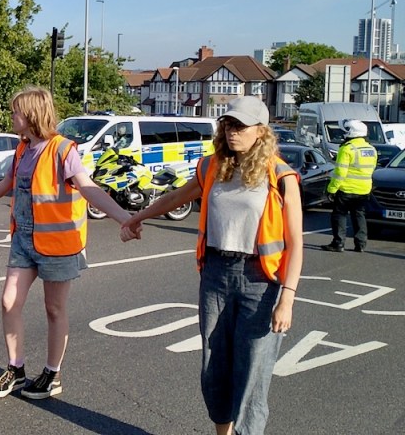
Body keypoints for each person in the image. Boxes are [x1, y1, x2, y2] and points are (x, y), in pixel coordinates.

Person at [121, 96, 303, 435]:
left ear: (261, 132)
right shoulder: (212, 167)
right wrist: (138, 216)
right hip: (216, 274)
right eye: (228, 125)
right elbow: (177, 197)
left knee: (252, 368)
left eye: (241, 127)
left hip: (260, 281)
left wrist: (287, 298)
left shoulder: (280, 175)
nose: (232, 132)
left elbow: (295, 242)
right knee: (214, 363)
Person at [0, 87, 132, 399]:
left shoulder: (62, 149)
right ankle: (15, 369)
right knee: (8, 301)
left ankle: (52, 374)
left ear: (30, 115)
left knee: (54, 309)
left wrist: (123, 217)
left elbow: (87, 187)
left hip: (57, 242)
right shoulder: (22, 149)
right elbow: (10, 180)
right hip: (24, 238)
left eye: (15, 111)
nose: (11, 116)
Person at [322, 119, 376, 253]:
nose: (343, 134)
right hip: (364, 189)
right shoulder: (371, 149)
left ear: (351, 132)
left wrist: (331, 189)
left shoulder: (347, 149)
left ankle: (338, 244)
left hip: (346, 189)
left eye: (345, 131)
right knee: (359, 216)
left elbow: (340, 172)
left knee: (339, 215)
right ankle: (360, 244)